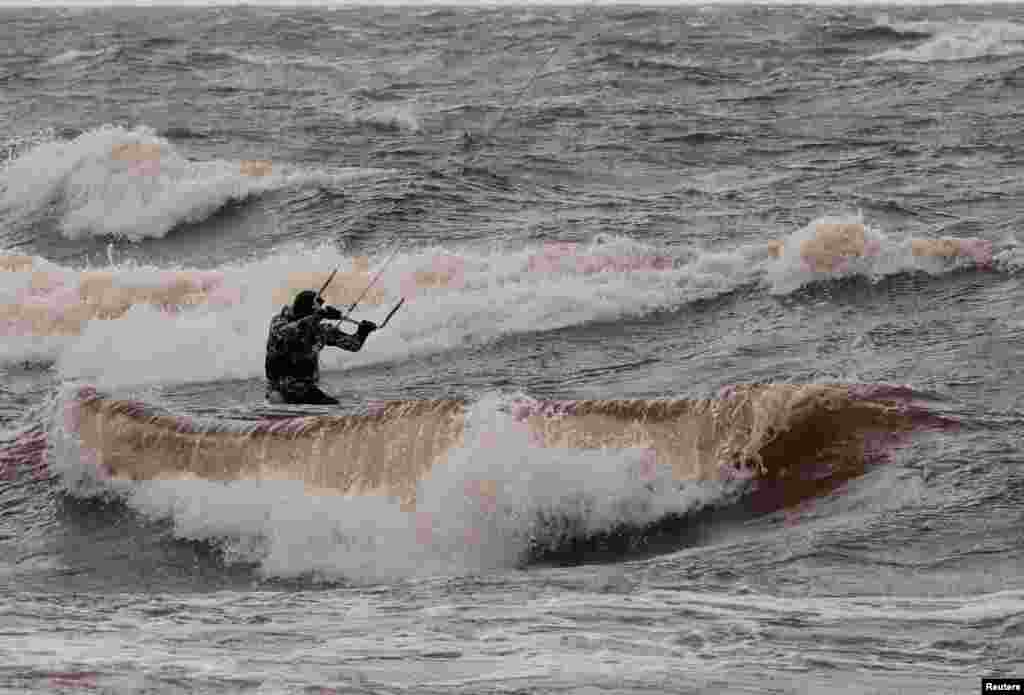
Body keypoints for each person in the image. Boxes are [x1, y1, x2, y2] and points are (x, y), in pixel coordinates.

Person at [265, 290, 377, 405]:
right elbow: (287, 332)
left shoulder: (321, 330)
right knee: (277, 398)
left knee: (335, 406)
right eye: (315, 312)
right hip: (279, 388)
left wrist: (363, 332)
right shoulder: (279, 322)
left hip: (306, 389)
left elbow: (353, 345)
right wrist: (319, 316)